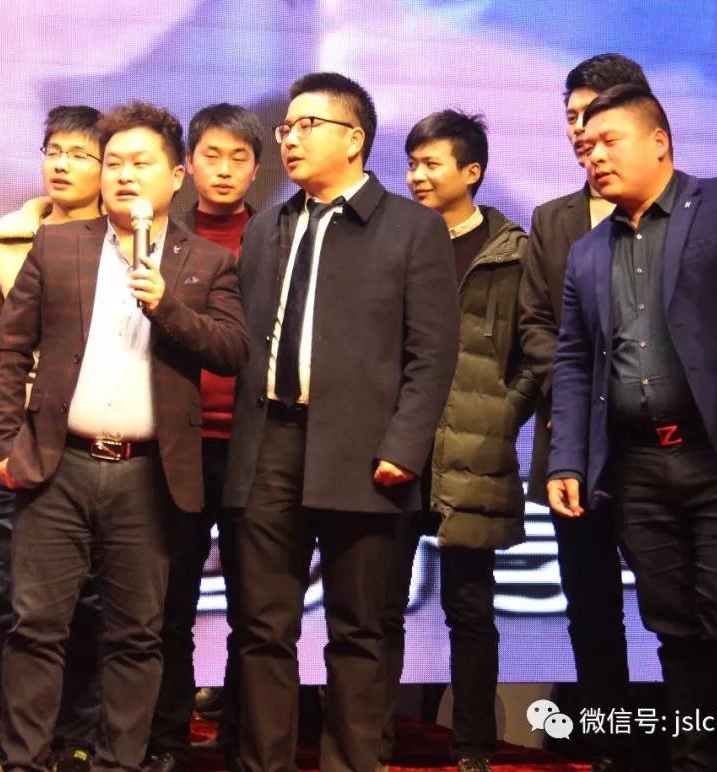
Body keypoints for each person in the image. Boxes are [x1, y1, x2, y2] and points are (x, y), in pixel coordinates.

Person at [0, 100, 249, 771]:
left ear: (177, 176)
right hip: (58, 465)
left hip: (149, 475)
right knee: (36, 627)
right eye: (114, 164)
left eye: (141, 163)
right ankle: (24, 761)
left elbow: (231, 350)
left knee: (136, 635)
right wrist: (3, 444)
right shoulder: (59, 245)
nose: (124, 176)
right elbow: (8, 350)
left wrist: (166, 304)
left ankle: (117, 762)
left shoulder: (206, 261)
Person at [548, 83, 717, 770]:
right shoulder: (586, 252)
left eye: (608, 141)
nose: (594, 157)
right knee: (673, 628)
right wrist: (567, 458)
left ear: (659, 141)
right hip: (636, 466)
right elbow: (573, 359)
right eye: (585, 148)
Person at [224, 72, 459, 772]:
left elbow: (432, 353)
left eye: (307, 125)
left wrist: (405, 447)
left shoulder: (412, 228)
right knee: (261, 628)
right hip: (269, 444)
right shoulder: (266, 227)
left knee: (359, 630)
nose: (289, 139)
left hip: (366, 453)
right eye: (286, 128)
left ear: (354, 139)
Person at [0, 105, 106, 772]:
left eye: (79, 153)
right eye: (53, 151)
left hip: (90, 446)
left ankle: (76, 736)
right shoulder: (3, 242)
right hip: (10, 445)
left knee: (90, 600)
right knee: (0, 598)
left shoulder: (130, 245)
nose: (61, 165)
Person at [380, 110, 534, 772]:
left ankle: (473, 746)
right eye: (412, 163)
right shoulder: (394, 241)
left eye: (430, 163)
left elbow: (535, 354)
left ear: (471, 172)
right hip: (395, 450)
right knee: (379, 607)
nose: (416, 175)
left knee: (471, 609)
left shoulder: (513, 252)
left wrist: (501, 414)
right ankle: (373, 740)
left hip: (475, 452)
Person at [516, 53, 651, 772]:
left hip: (665, 447)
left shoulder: (693, 212)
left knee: (682, 608)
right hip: (575, 446)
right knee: (591, 610)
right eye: (570, 118)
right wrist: (586, 389)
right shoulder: (553, 219)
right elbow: (536, 325)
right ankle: (611, 750)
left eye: (593, 116)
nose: (579, 132)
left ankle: (693, 741)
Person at [147, 103, 262, 772]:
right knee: (169, 604)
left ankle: (242, 738)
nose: (223, 170)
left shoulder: (275, 240)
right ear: (187, 165)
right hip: (178, 443)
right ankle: (167, 737)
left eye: (238, 158)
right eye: (211, 156)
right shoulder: (163, 239)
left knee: (255, 607)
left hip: (253, 445)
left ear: (256, 168)